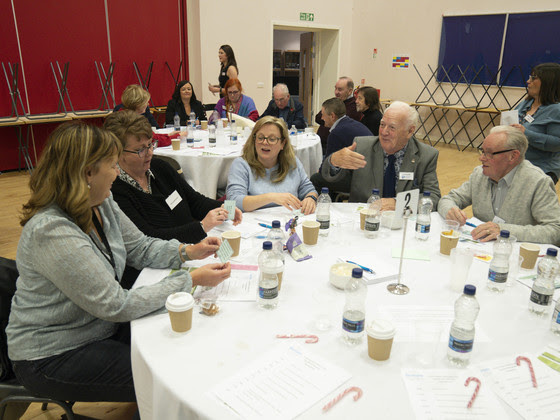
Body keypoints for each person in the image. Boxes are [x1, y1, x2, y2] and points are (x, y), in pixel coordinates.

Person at [6, 122, 230, 404]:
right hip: (53, 353)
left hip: (100, 325)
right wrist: (190, 280)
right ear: (88, 172)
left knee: (186, 342)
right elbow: (115, 304)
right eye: (112, 165)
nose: (117, 173)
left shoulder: (100, 201)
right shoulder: (52, 231)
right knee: (164, 376)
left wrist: (189, 251)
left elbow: (140, 246)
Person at [105, 110, 242, 287]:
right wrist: (201, 227)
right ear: (117, 153)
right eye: (140, 150)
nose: (149, 153)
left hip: (191, 252)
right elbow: (149, 238)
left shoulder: (160, 167)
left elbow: (194, 200)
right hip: (154, 272)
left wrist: (227, 207)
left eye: (150, 144)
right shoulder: (114, 191)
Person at [438, 125, 560, 245]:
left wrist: (505, 231)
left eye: (489, 153)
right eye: (482, 151)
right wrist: (450, 211)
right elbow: (448, 199)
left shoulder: (537, 182)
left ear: (513, 156)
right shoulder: (479, 174)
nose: (481, 158)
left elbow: (555, 230)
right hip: (479, 250)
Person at [318, 101, 440, 210]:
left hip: (403, 223)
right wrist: (333, 162)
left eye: (392, 127)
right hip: (364, 219)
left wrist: (399, 203)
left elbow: (433, 197)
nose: (384, 132)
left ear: (410, 131)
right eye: (382, 125)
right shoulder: (362, 147)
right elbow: (330, 178)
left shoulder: (426, 155)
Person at [226, 116, 318, 214]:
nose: (265, 143)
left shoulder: (292, 162)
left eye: (272, 139)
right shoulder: (241, 164)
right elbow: (232, 202)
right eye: (260, 138)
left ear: (283, 143)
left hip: (288, 221)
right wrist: (271, 197)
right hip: (252, 224)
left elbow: (308, 189)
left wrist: (310, 198)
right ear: (254, 140)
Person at [512, 63, 560, 184]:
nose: (528, 81)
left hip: (541, 169)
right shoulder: (524, 104)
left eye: (534, 78)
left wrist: (525, 133)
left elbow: (557, 144)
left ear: (548, 82)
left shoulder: (556, 110)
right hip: (514, 165)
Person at [315, 77, 362, 154]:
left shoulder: (354, 107)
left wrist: (327, 121)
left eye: (340, 89)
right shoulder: (336, 101)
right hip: (321, 143)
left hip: (334, 148)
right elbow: (318, 118)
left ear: (350, 91)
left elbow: (340, 126)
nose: (336, 92)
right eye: (335, 88)